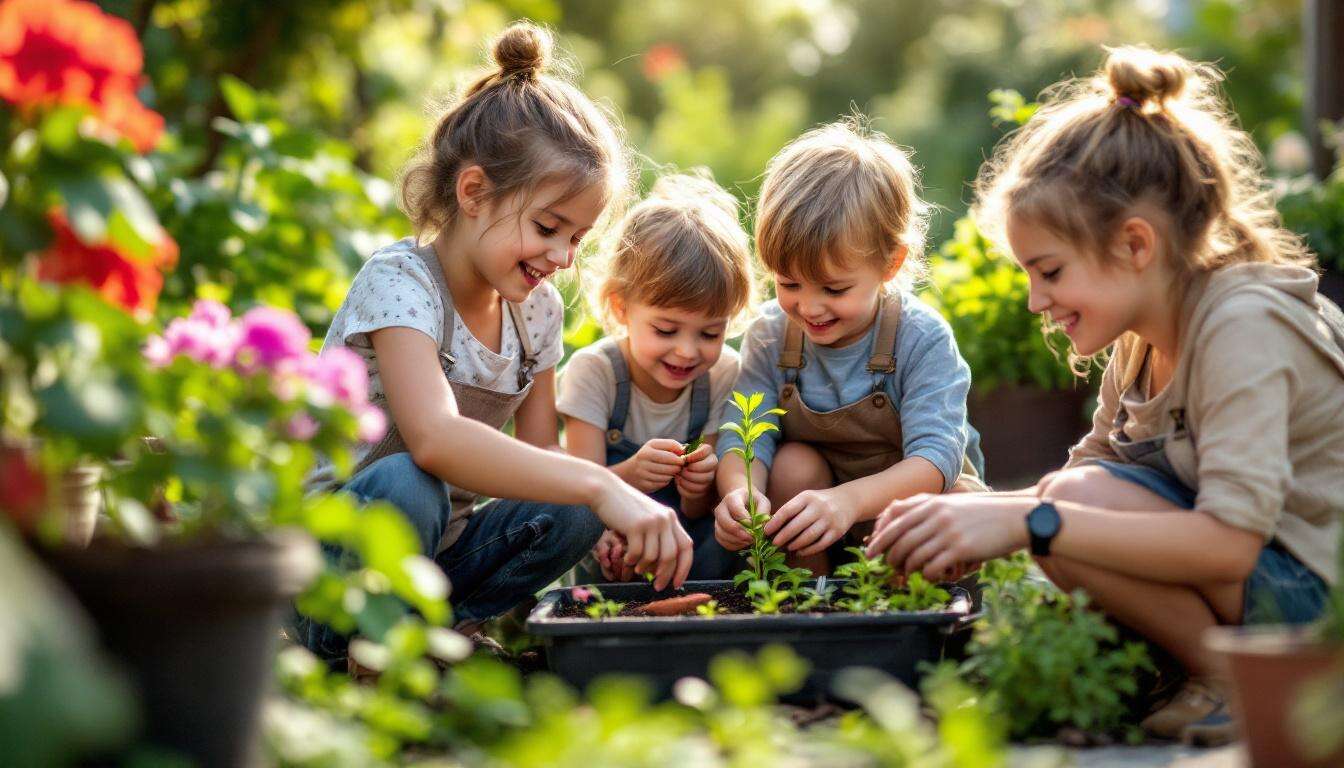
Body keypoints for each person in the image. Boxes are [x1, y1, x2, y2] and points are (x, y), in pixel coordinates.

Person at [865, 46, 1344, 744]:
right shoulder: (1144, 331)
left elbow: (1231, 546)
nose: (1035, 301)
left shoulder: (1243, 325)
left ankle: (1241, 687)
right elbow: (1086, 473)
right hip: (1265, 586)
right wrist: (977, 514)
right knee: (1069, 493)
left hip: (1319, 607)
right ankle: (1186, 673)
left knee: (1060, 510)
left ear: (1136, 245)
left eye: (1050, 271)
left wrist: (1026, 523)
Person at [293, 21, 692, 663]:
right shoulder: (400, 283)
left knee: (574, 501)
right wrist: (601, 486)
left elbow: (541, 464)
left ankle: (444, 634)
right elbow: (434, 439)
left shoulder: (532, 312)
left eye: (578, 238)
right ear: (473, 191)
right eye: (548, 226)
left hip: (435, 568)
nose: (562, 255)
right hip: (333, 569)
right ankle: (364, 653)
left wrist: (608, 502)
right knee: (409, 482)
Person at [714, 120, 986, 576]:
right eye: (789, 283)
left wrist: (847, 501)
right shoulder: (772, 334)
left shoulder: (921, 338)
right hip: (816, 524)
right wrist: (739, 491)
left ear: (891, 264)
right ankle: (808, 608)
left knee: (957, 504)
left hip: (904, 510)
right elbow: (747, 430)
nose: (809, 306)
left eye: (834, 289)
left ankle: (914, 623)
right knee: (793, 464)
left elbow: (934, 461)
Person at [559, 171, 754, 581]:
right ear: (621, 307)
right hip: (611, 534)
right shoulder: (595, 373)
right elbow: (577, 491)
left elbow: (700, 511)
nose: (686, 350)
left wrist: (699, 488)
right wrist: (630, 474)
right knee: (590, 543)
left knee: (723, 540)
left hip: (690, 541)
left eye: (710, 333)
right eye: (666, 330)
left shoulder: (722, 375)